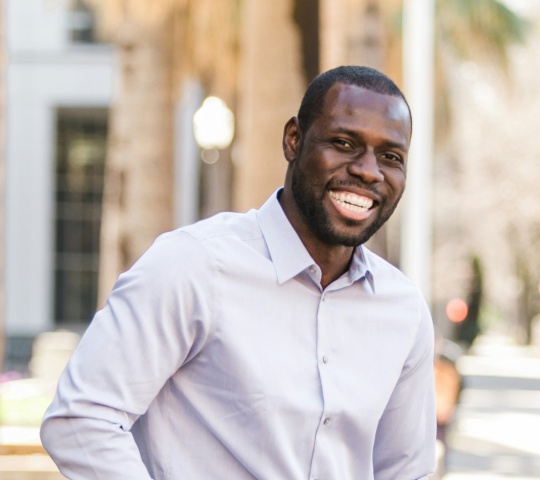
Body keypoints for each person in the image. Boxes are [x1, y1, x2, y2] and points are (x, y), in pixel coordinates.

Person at [40, 65, 437, 479]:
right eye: (343, 143)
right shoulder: (193, 266)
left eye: (391, 156)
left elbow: (405, 472)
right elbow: (81, 418)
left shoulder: (404, 311)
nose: (369, 171)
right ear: (293, 140)